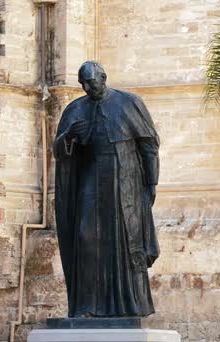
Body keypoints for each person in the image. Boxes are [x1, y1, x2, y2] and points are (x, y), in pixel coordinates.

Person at [53, 61, 160, 317]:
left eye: (91, 81)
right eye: (82, 84)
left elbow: (148, 146)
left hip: (125, 181)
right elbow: (59, 152)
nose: (87, 88)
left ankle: (129, 306)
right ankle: (87, 306)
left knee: (124, 239)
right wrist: (68, 136)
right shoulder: (75, 109)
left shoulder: (129, 102)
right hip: (90, 178)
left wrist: (151, 183)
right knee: (85, 236)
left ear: (103, 76)